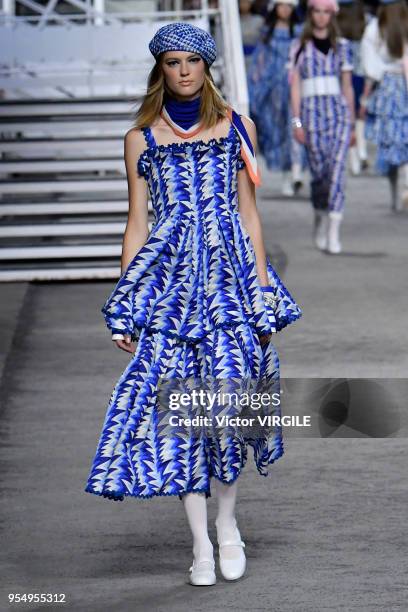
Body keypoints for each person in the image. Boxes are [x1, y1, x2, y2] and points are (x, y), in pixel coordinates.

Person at [84, 22, 303, 586]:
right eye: (171, 62)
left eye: (191, 61)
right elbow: (137, 223)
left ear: (208, 65)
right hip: (171, 291)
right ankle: (200, 545)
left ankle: (227, 526)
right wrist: (128, 300)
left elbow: (249, 214)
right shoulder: (141, 138)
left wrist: (260, 291)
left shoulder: (238, 128)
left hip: (230, 283)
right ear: (160, 68)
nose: (182, 71)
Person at [289, 0, 356, 254]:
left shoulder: (343, 47)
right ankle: (319, 216)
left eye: (326, 12)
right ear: (310, 14)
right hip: (311, 115)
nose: (321, 17)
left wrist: (351, 125)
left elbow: (348, 85)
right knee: (319, 175)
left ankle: (333, 230)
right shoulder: (299, 47)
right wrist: (296, 122)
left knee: (338, 171)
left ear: (332, 14)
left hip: (338, 114)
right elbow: (294, 86)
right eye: (317, 11)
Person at [248, 0, 306, 196]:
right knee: (278, 131)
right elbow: (260, 60)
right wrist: (257, 84)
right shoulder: (267, 31)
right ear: (275, 8)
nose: (285, 9)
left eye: (289, 6)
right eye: (281, 5)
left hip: (294, 86)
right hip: (273, 90)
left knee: (295, 126)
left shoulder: (299, 31)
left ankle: (296, 172)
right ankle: (287, 176)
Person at [360, 0, 408, 211]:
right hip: (401, 87)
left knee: (390, 146)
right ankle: (405, 188)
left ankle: (396, 194)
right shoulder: (399, 24)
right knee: (403, 142)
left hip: (387, 89)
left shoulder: (375, 28)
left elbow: (370, 67)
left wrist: (365, 96)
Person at [337, 0, 368, 175]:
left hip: (344, 76)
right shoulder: (365, 23)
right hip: (361, 75)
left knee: (348, 115)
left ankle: (354, 158)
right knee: (359, 116)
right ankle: (361, 153)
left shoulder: (336, 28)